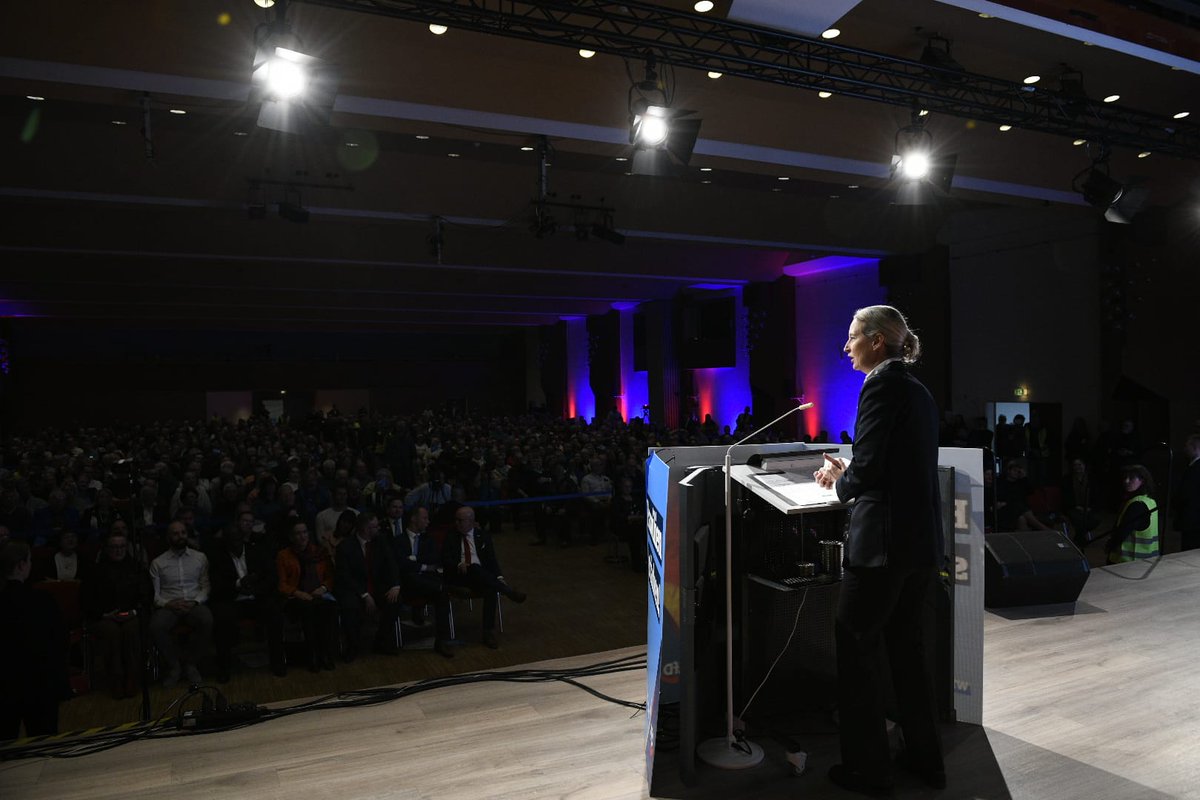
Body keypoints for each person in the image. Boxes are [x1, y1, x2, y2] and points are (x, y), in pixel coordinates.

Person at [813, 305, 945, 796]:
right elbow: (893, 464)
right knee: (909, 657)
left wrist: (838, 479)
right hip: (918, 546)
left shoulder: (881, 384)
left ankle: (868, 772)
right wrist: (854, 469)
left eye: (852, 337)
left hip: (882, 550)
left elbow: (867, 471)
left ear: (877, 341)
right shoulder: (918, 389)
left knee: (857, 653)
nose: (846, 347)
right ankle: (927, 761)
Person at [0, 541, 68, 739]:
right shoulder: (42, 601)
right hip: (40, 685)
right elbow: (60, 641)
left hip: (5, 687)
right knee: (43, 740)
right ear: (22, 565)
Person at [443, 505, 527, 649]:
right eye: (456, 520)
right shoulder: (451, 536)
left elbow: (491, 560)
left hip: (482, 577)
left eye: (460, 520)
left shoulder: (482, 536)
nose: (457, 523)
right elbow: (445, 559)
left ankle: (488, 632)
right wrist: (458, 564)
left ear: (470, 521)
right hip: (460, 575)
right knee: (475, 568)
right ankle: (508, 592)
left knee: (490, 588)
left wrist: (499, 576)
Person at [82, 531, 152, 698]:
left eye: (121, 547)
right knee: (112, 632)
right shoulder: (95, 571)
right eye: (114, 547)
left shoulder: (136, 568)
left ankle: (132, 677)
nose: (118, 550)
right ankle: (116, 678)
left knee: (131, 629)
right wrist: (104, 614)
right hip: (103, 617)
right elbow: (86, 600)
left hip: (132, 614)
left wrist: (133, 611)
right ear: (106, 549)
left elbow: (147, 595)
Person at [148, 520, 213, 688]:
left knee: (207, 620)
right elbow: (154, 594)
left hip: (193, 602)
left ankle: (191, 663)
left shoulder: (200, 558)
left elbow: (205, 586)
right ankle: (174, 666)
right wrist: (168, 604)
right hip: (169, 605)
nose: (180, 537)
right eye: (175, 534)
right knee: (156, 626)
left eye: (183, 533)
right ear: (169, 537)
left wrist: (195, 602)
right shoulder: (158, 562)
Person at [388, 505, 454, 658]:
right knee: (413, 576)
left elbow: (434, 560)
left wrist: (415, 563)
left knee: (441, 595)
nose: (428, 522)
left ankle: (441, 641)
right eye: (424, 518)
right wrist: (422, 566)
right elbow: (400, 565)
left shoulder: (428, 540)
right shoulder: (398, 541)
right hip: (406, 586)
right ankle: (444, 587)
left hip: (426, 583)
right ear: (413, 519)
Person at [276, 520, 338, 672]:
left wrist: (323, 588)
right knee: (309, 610)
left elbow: (330, 576)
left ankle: (326, 654)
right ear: (291, 537)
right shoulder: (283, 555)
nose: (302, 536)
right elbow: (281, 584)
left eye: (304, 532)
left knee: (329, 608)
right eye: (298, 533)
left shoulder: (319, 552)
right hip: (295, 597)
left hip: (318, 594)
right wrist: (298, 593)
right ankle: (313, 655)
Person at [1080, 464, 1160, 563]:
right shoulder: (1149, 500)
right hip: (1147, 559)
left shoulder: (1137, 504)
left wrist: (1110, 545)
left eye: (1131, 478)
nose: (1126, 481)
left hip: (1126, 561)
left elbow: (1123, 531)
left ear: (1142, 481)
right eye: (1125, 477)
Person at [1173, 434, 1200, 552]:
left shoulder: (1195, 469)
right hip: (1194, 518)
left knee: (1190, 550)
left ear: (1195, 448)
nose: (1185, 449)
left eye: (1187, 446)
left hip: (1193, 519)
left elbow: (1185, 494)